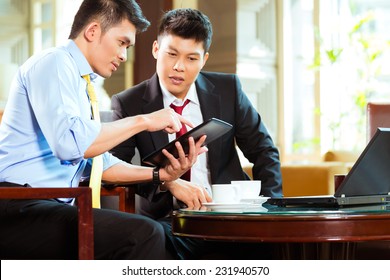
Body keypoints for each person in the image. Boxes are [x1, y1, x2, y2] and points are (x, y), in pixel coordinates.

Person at [0, 0, 206, 260]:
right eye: (122, 43)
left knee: (152, 235)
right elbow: (69, 145)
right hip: (17, 206)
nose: (124, 55)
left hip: (50, 205)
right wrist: (143, 121)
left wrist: (160, 174)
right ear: (93, 31)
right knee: (145, 234)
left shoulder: (83, 82)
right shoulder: (54, 63)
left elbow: (98, 163)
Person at [110, 8, 282, 259]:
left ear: (204, 59)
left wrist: (271, 209)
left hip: (231, 215)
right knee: (154, 242)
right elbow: (116, 168)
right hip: (170, 221)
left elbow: (264, 150)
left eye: (192, 58)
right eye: (171, 54)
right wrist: (169, 182)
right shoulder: (129, 103)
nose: (179, 67)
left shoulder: (228, 90)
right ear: (156, 49)